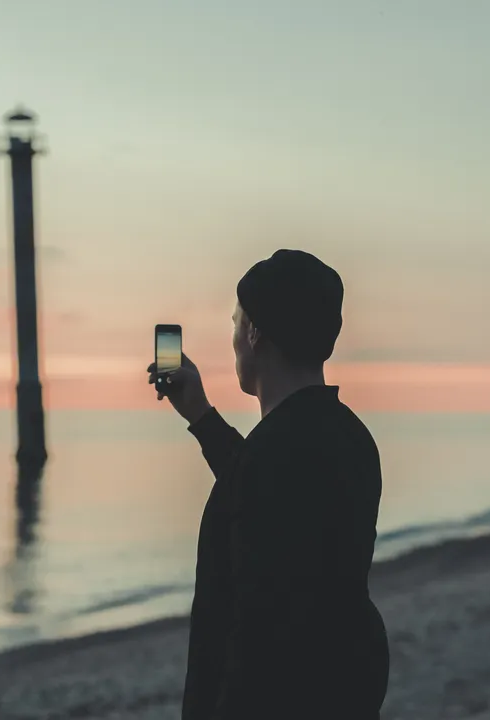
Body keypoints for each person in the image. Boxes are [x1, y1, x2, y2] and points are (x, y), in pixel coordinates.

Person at [147, 249, 390, 720]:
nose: (234, 337)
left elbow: (259, 630)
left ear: (255, 333)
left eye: (236, 324)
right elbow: (267, 492)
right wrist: (200, 414)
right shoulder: (350, 437)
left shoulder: (277, 457)